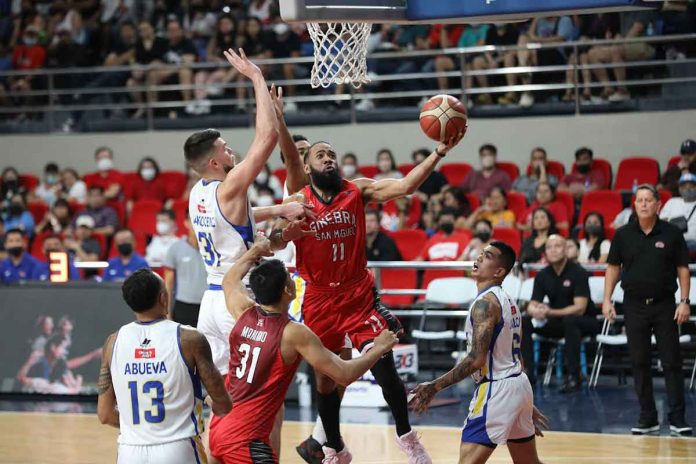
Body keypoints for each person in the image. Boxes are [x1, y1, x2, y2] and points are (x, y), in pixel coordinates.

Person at [274, 131, 464, 463]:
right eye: (321, 155)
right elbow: (272, 241)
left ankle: (408, 439)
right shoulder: (297, 201)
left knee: (385, 368)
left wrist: (438, 153)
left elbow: (405, 187)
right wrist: (282, 235)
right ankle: (334, 447)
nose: (329, 159)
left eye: (332, 154)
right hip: (319, 298)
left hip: (357, 294)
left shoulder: (356, 189)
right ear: (307, 166)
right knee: (326, 378)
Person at [209, 235, 398, 463]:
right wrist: (378, 348)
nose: (294, 281)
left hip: (219, 428)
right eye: (290, 279)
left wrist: (254, 252)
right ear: (287, 292)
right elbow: (344, 374)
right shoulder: (293, 333)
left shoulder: (243, 311)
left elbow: (229, 280)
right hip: (246, 441)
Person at [409, 242, 548, 464]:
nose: (480, 257)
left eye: (488, 256)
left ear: (499, 271)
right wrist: (521, 400)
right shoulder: (508, 300)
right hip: (517, 384)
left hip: (496, 389)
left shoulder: (485, 304)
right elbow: (512, 354)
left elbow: (476, 360)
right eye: (481, 253)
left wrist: (434, 387)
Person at [97, 268, 232, 463]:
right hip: (178, 447)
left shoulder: (113, 342)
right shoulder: (190, 339)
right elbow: (223, 404)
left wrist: (143, 430)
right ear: (163, 298)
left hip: (130, 452)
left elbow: (105, 414)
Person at [603, 185, 692, 436]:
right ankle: (647, 417)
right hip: (633, 305)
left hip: (665, 304)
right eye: (639, 200)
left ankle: (677, 418)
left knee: (671, 361)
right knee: (639, 361)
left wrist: (684, 301)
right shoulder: (623, 235)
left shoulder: (672, 233)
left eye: (648, 200)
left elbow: (683, 269)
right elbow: (612, 267)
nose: (643, 204)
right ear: (635, 205)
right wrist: (607, 300)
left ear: (658, 204)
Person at [521, 235, 599, 392]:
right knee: (525, 320)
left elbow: (580, 308)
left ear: (565, 249)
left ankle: (574, 376)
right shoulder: (543, 275)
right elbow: (533, 302)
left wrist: (550, 312)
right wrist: (534, 311)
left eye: (557, 246)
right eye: (549, 247)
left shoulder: (578, 272)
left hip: (586, 320)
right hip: (559, 321)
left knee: (571, 320)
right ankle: (528, 373)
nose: (553, 250)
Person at [164, 213, 207, 327]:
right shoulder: (175, 248)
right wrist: (166, 312)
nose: (197, 225)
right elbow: (168, 284)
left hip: (208, 306)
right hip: (183, 306)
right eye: (193, 221)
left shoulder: (215, 248)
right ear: (186, 223)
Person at [660, 173, 696, 253]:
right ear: (679, 188)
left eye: (691, 186)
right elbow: (661, 223)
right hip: (672, 242)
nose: (688, 189)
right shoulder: (672, 202)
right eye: (684, 186)